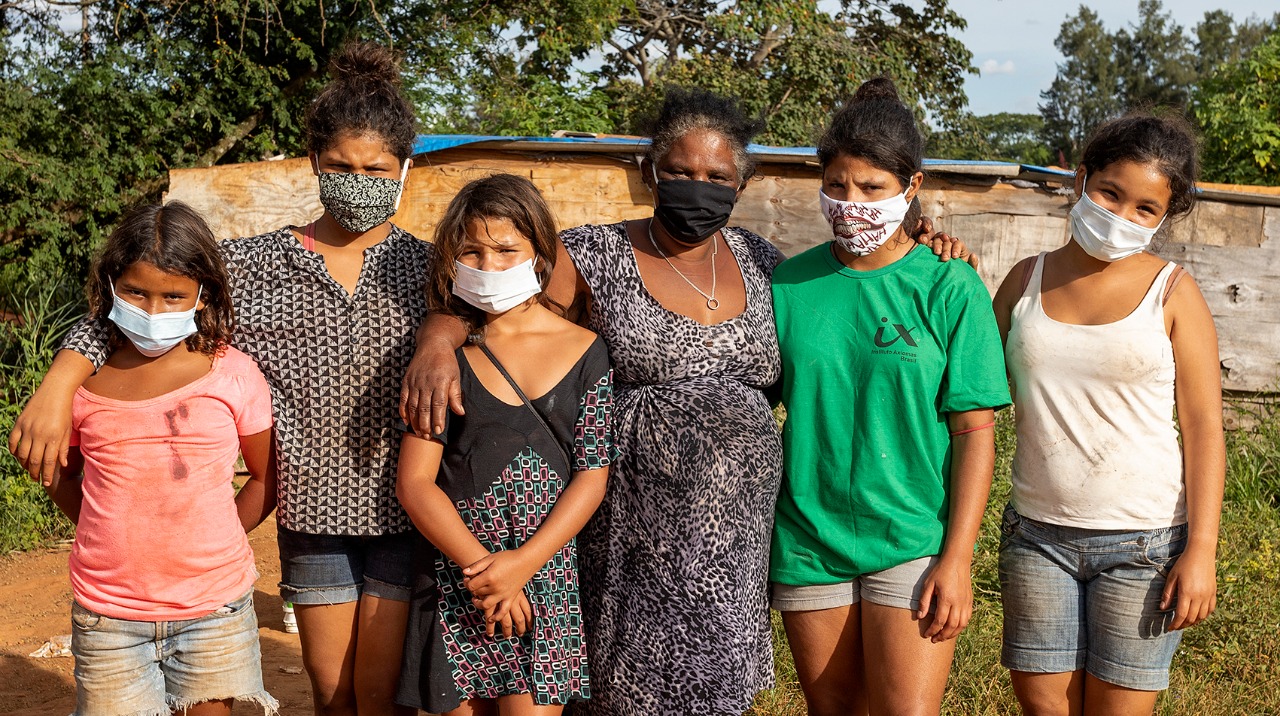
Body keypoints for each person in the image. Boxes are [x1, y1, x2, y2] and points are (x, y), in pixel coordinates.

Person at [399, 87, 972, 715]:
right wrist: (439, 333)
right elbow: (502, 302)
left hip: (739, 542)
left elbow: (849, 302)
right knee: (631, 692)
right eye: (679, 171)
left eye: (715, 176)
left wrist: (927, 243)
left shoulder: (763, 262)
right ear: (650, 171)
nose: (696, 186)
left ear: (740, 184)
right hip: (634, 533)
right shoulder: (592, 256)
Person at [10, 42, 430, 716]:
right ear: (315, 165)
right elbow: (139, 309)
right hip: (313, 514)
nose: (359, 179)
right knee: (334, 693)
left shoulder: (429, 271)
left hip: (410, 512)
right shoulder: (253, 267)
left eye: (376, 168)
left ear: (404, 170)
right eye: (342, 166)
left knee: (382, 698)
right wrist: (59, 380)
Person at [769, 77, 1011, 716]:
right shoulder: (788, 283)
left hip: (911, 539)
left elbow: (975, 432)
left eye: (872, 188)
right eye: (837, 186)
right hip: (807, 540)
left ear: (912, 187)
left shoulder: (949, 286)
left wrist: (957, 559)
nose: (851, 202)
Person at [991, 111, 1224, 716]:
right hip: (1036, 537)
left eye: (1145, 208)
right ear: (1080, 179)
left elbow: (1202, 429)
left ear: (1164, 218)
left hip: (1145, 544)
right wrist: (940, 262)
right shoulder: (1023, 281)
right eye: (1110, 192)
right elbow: (973, 391)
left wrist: (1202, 550)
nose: (1121, 215)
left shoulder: (1174, 292)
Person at [42, 202, 277, 716]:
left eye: (174, 295)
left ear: (204, 293)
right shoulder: (80, 383)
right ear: (109, 284)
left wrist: (220, 537)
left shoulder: (233, 374)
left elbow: (265, 477)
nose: (153, 310)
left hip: (214, 610)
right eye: (134, 291)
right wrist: (103, 530)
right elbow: (57, 469)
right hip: (108, 615)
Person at [394, 173, 615, 715]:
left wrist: (521, 566)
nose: (488, 266)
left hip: (545, 578)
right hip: (454, 577)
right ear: (451, 259)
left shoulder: (588, 351)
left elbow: (593, 472)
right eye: (471, 251)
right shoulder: (444, 358)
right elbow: (416, 481)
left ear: (539, 253)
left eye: (506, 249)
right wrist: (486, 572)